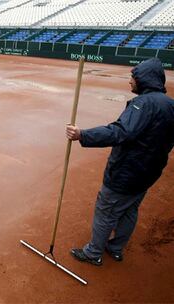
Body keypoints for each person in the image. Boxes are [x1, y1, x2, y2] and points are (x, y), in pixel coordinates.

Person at [66, 58, 174, 266]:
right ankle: (115, 249)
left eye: (133, 78)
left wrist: (82, 135)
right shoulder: (170, 104)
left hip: (127, 172)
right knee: (129, 210)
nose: (130, 82)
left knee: (106, 210)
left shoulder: (142, 104)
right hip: (148, 173)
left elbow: (120, 132)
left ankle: (94, 253)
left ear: (144, 79)